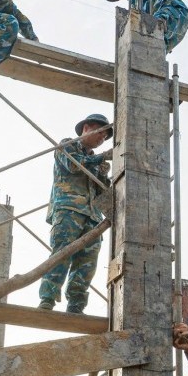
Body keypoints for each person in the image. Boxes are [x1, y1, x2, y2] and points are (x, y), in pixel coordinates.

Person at [38, 114, 111, 314]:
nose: (101, 139)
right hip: (69, 209)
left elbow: (102, 192)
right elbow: (73, 165)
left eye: (105, 137)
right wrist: (101, 157)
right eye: (100, 133)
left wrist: (104, 175)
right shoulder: (67, 145)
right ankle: (48, 298)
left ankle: (76, 305)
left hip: (93, 216)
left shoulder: (95, 161)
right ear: (87, 128)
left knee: (87, 264)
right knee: (61, 254)